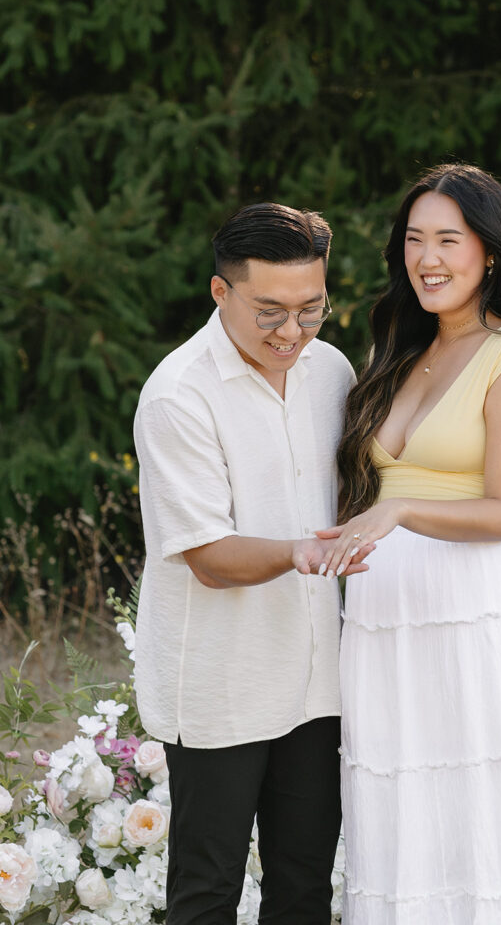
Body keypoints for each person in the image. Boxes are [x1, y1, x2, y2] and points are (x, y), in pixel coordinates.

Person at [317, 165, 501, 924]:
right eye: (414, 239)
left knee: (486, 806)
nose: (427, 258)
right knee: (405, 807)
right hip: (386, 621)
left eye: (448, 238)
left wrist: (399, 509)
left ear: (489, 251)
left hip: (471, 613)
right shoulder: (402, 351)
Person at [133, 202, 372, 925]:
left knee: (303, 885)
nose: (291, 332)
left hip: (316, 684)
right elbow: (207, 555)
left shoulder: (330, 369)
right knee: (207, 890)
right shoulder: (178, 394)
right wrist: (305, 550)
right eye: (270, 311)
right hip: (220, 682)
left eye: (311, 309)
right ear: (219, 292)